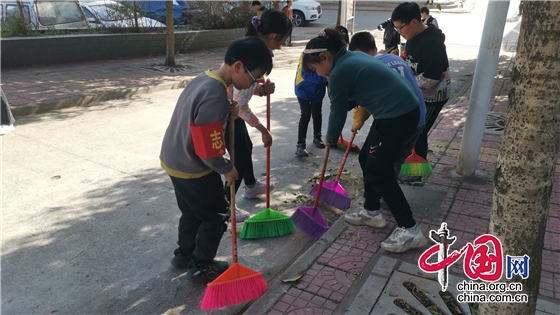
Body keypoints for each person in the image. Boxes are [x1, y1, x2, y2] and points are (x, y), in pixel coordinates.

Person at [302, 28, 428, 253]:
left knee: (380, 171)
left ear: (325, 57)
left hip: (398, 116)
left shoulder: (339, 71)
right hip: (395, 112)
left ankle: (410, 229)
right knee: (365, 158)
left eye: (316, 68)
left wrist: (330, 138)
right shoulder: (350, 57)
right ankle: (372, 211)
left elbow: (337, 112)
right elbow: (356, 94)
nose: (319, 74)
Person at [160, 36, 273, 280]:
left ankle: (184, 255)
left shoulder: (205, 79)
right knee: (217, 214)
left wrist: (228, 113)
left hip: (174, 159)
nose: (252, 85)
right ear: (238, 67)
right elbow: (208, 149)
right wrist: (227, 168)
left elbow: (200, 119)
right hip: (194, 167)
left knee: (191, 211)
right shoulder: (215, 95)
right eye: (253, 78)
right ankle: (201, 264)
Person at [347, 31, 427, 214]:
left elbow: (364, 105)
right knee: (368, 159)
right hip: (414, 116)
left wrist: (356, 124)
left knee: (381, 168)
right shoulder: (395, 60)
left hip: (400, 120)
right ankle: (372, 205)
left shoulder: (368, 69)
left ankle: (396, 212)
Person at [224, 9, 292, 211]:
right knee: (239, 159)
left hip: (232, 108)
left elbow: (246, 86)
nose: (281, 46)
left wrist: (261, 89)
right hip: (227, 113)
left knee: (245, 149)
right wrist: (263, 130)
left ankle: (251, 186)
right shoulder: (251, 56)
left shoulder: (251, 47)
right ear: (274, 37)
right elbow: (241, 105)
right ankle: (226, 205)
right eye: (282, 41)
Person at [392, 2, 450, 186]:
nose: (399, 32)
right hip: (418, 91)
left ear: (414, 22)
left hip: (434, 95)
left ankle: (416, 175)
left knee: (419, 130)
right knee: (415, 129)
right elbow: (412, 60)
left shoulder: (432, 42)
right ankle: (411, 167)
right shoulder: (413, 36)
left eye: (401, 28)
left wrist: (406, 87)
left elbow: (432, 75)